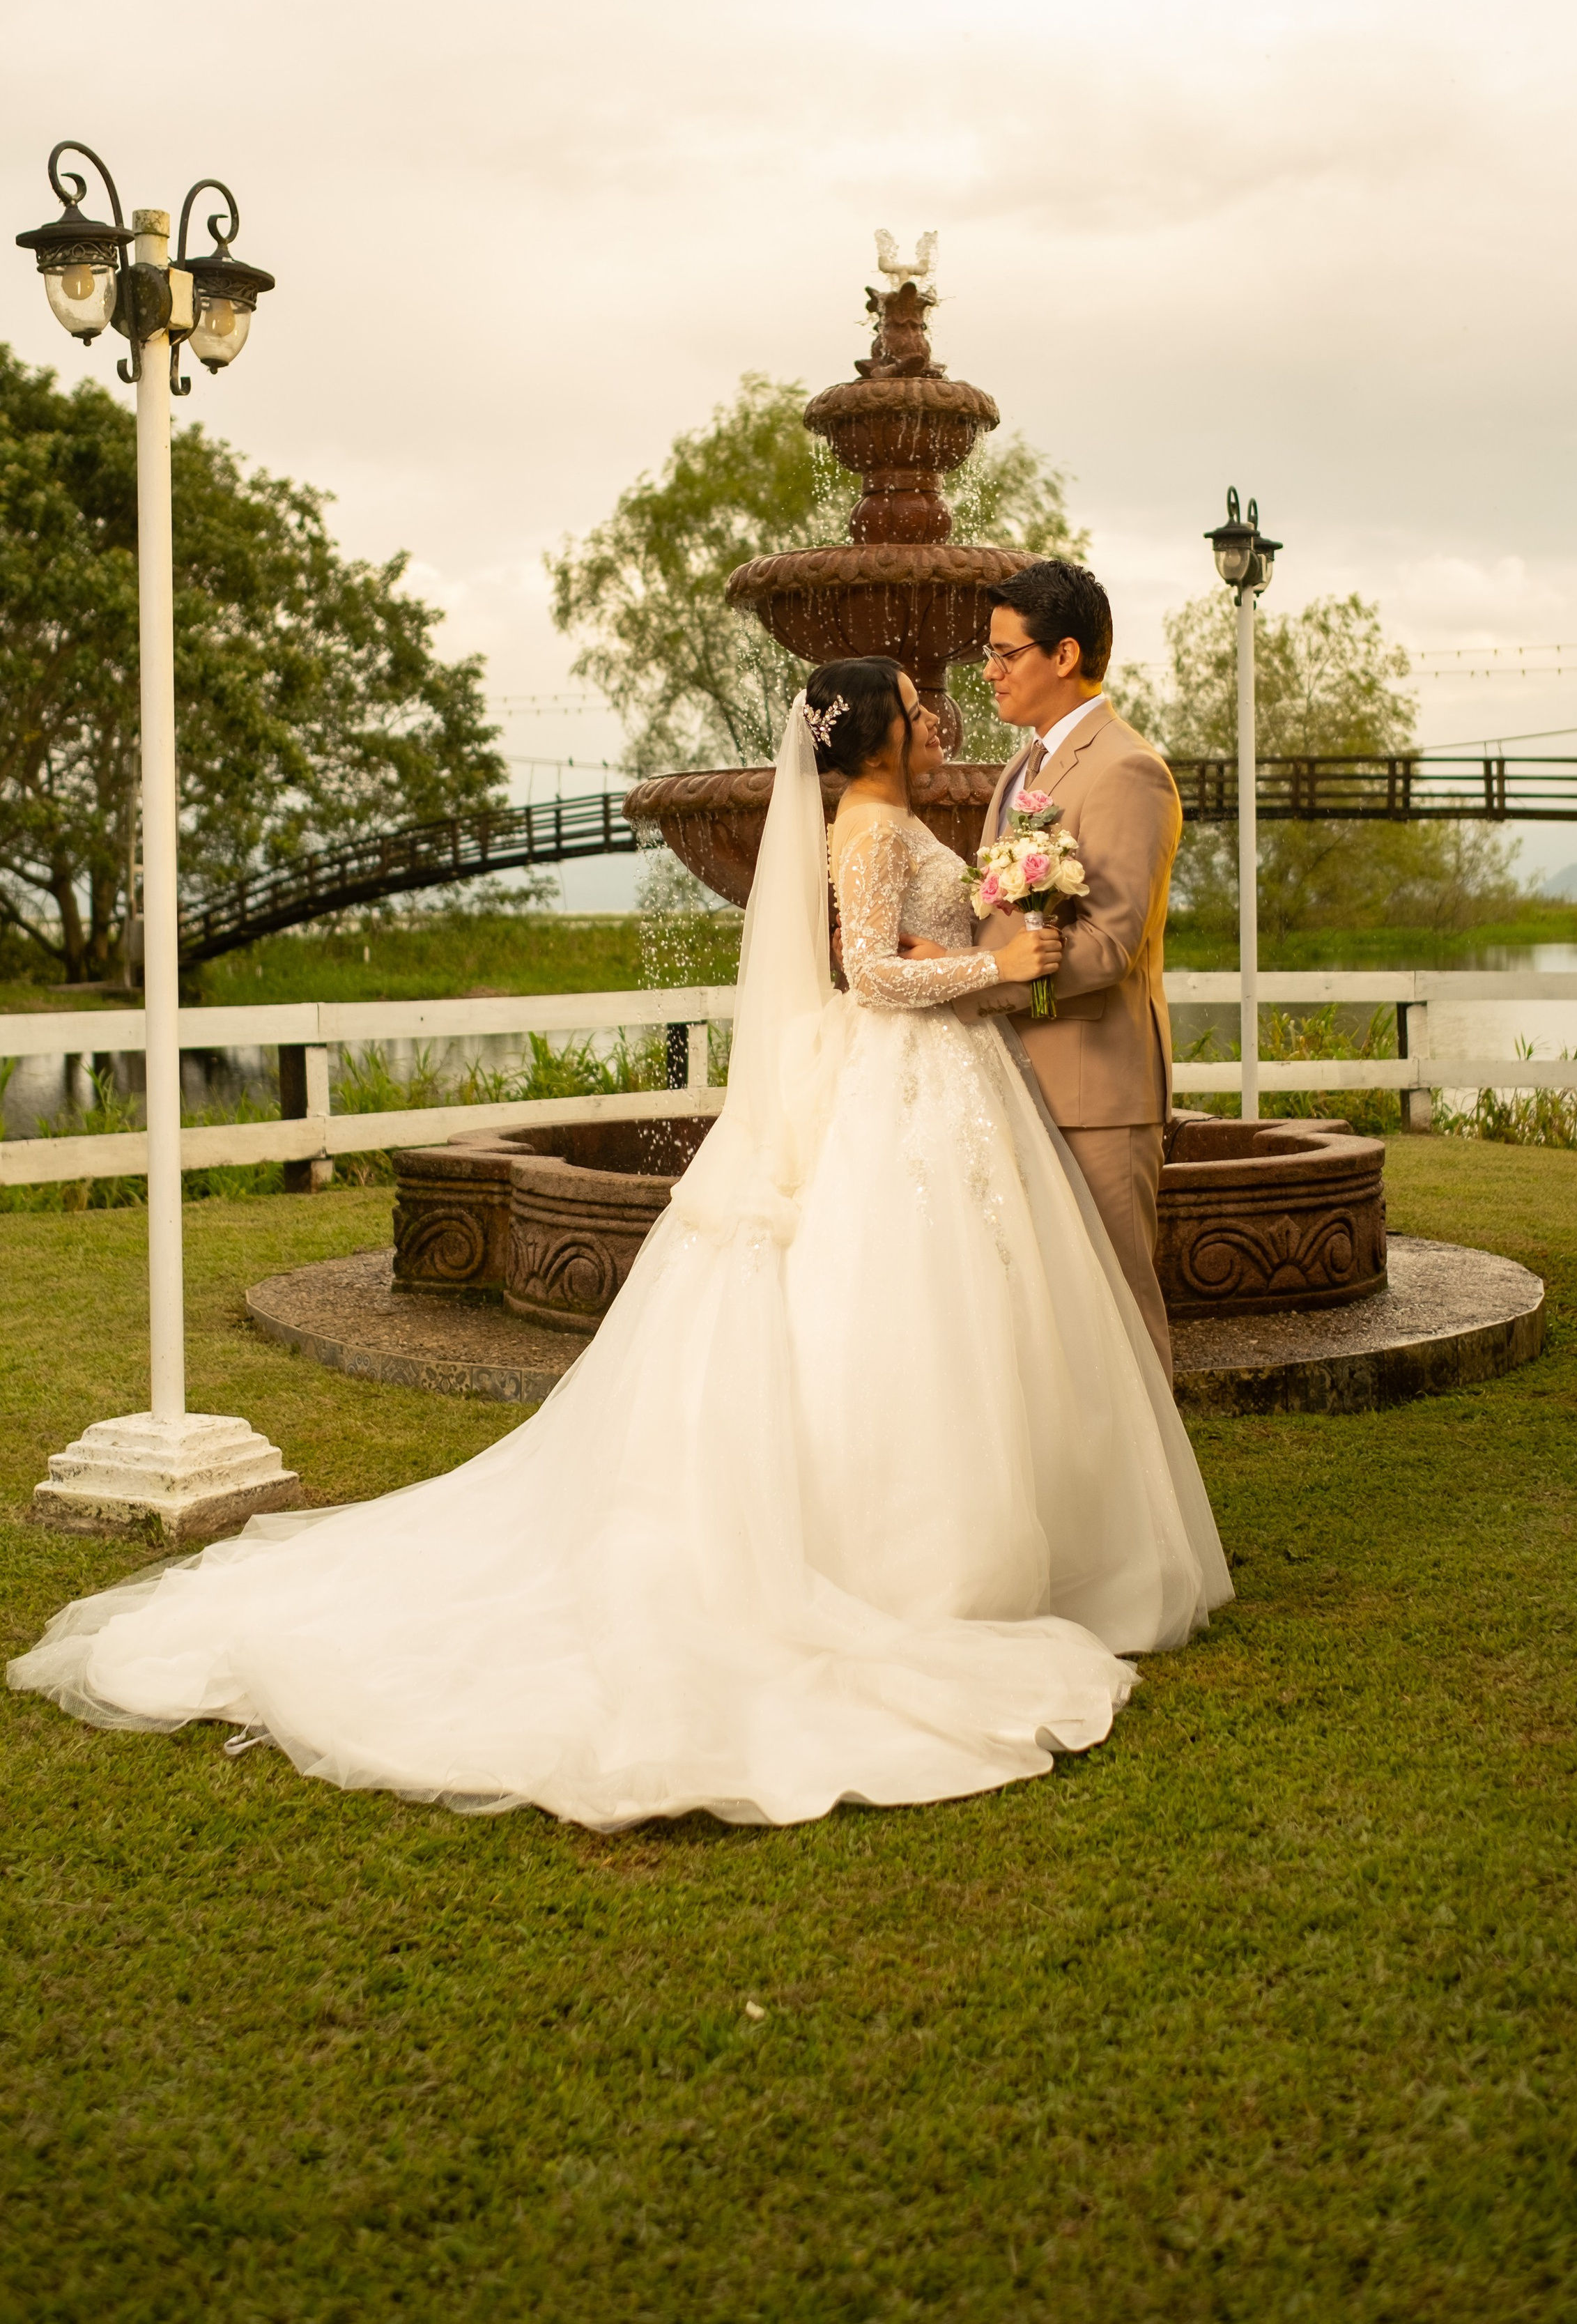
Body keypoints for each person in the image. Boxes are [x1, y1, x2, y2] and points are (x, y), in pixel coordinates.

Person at [9, 660, 1230, 1833]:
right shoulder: (867, 827)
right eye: (915, 710)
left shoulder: (886, 818)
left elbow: (895, 955)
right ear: (874, 736)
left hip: (941, 1080)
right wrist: (992, 959)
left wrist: (973, 947)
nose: (935, 721)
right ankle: (914, 1564)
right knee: (896, 1311)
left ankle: (1002, 1544)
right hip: (902, 1081)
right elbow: (865, 973)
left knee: (949, 1314)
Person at [958, 562, 1183, 1379]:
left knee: (1119, 1316)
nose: (989, 671)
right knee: (1048, 1325)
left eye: (1004, 653)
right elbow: (1000, 915)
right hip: (1018, 1081)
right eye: (988, 654)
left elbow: (1110, 943)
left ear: (1064, 655)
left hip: (1096, 1094)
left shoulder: (1127, 769)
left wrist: (980, 981)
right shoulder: (1023, 768)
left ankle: (1149, 1470)